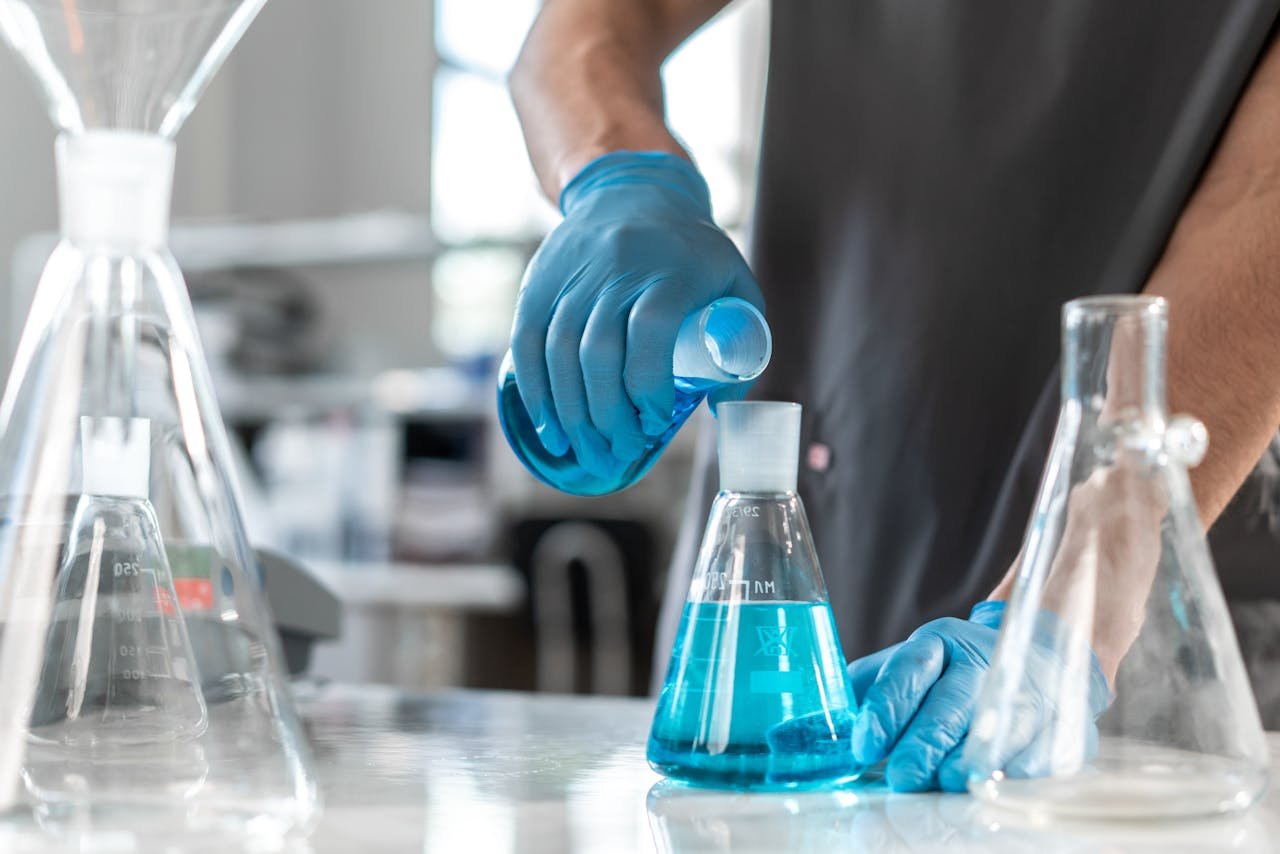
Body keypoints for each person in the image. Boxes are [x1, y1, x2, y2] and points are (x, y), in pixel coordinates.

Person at [507, 0, 1280, 791]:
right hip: (824, 502)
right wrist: (618, 174)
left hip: (1163, 574)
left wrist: (1072, 606)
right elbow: (582, 30)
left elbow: (1265, 191)